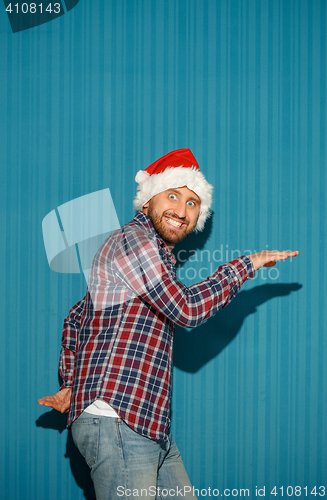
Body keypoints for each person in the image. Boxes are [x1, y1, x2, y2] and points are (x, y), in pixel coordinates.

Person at [38, 149, 299, 500]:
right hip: (121, 417)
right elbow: (187, 309)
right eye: (173, 195)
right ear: (147, 201)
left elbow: (75, 319)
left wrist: (73, 382)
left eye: (193, 203)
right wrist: (247, 264)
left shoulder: (143, 251)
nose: (182, 210)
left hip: (143, 421)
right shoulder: (136, 240)